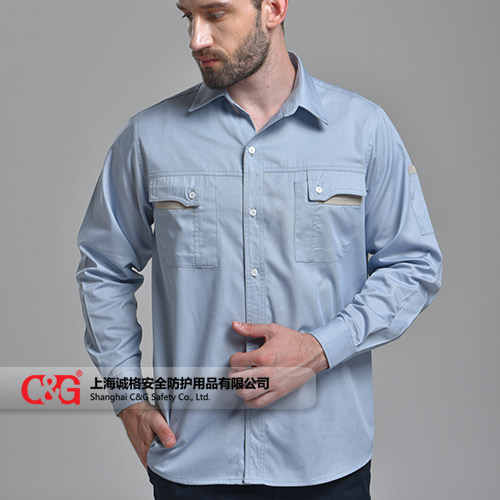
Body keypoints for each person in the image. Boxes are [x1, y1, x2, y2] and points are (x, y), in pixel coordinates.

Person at [75, 0, 443, 498]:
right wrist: (127, 398)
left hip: (326, 464)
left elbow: (414, 265)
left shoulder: (364, 130)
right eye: (188, 17)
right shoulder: (148, 138)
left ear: (272, 8)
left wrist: (319, 350)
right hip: (193, 463)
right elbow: (103, 268)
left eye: (215, 14)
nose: (196, 39)